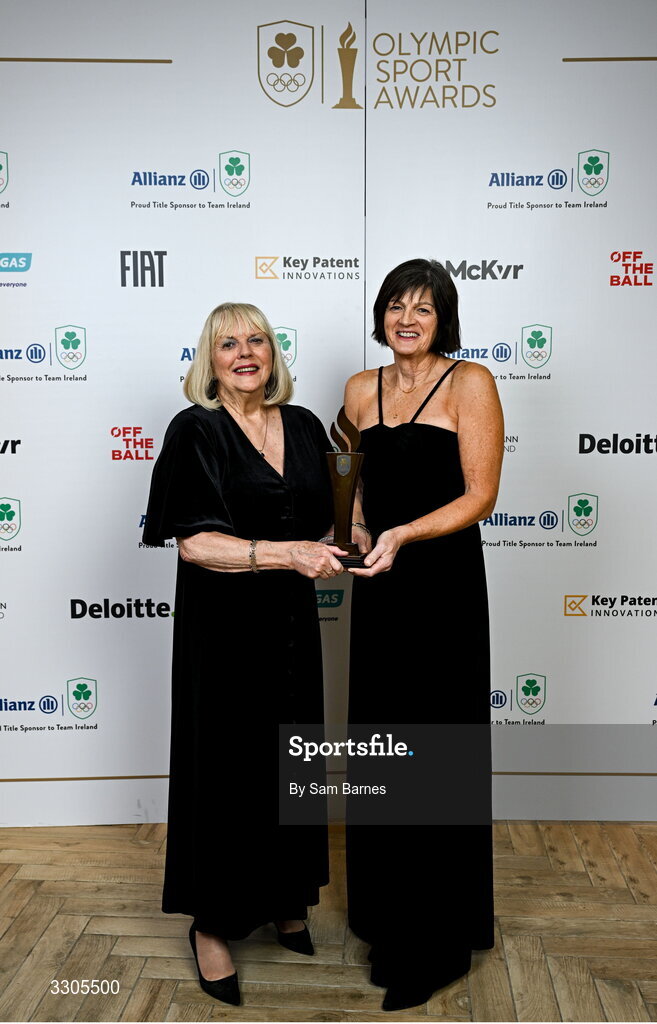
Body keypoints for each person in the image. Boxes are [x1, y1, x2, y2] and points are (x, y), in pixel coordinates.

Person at [143, 302, 348, 1006]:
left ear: (272, 353)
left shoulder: (301, 423)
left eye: (256, 339)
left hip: (290, 627)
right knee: (225, 771)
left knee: (292, 760)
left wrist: (367, 534)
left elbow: (326, 514)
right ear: (210, 358)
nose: (244, 352)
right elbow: (194, 542)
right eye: (227, 343)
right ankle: (212, 923)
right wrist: (281, 553)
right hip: (222, 632)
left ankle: (285, 896)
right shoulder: (194, 430)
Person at [343, 259, 504, 1011]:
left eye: (424, 307)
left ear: (444, 320)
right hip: (380, 590)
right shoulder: (358, 388)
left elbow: (480, 494)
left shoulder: (469, 383)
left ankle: (438, 938)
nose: (408, 317)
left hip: (441, 592)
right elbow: (353, 487)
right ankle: (387, 919)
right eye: (396, 305)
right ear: (380, 315)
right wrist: (358, 533)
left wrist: (405, 533)